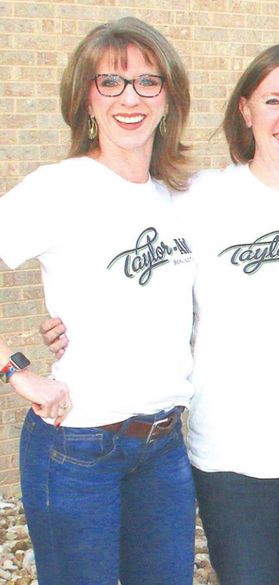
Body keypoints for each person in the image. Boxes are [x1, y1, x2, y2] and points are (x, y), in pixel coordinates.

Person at [42, 44, 279, 584]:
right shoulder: (199, 199)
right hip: (233, 461)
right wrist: (76, 324)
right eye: (273, 100)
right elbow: (132, 273)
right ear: (245, 110)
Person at [0, 17, 196, 584]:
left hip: (163, 448)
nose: (129, 99)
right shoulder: (59, 188)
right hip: (78, 449)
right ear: (86, 98)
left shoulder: (175, 195)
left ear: (168, 99)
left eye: (147, 83)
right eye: (110, 83)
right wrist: (18, 371)